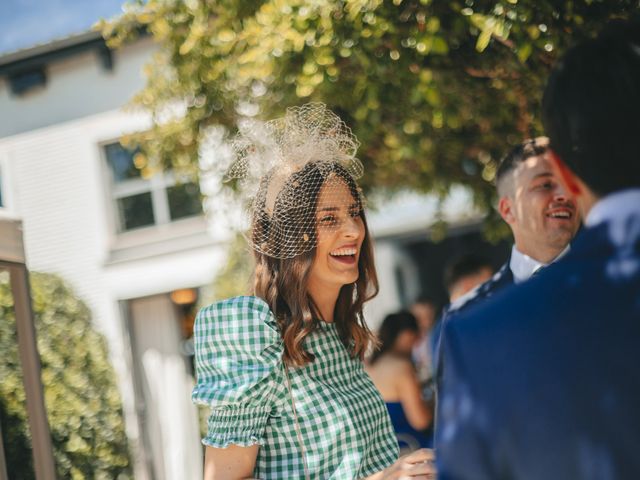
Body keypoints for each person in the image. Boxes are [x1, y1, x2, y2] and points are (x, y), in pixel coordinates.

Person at [436, 19, 640, 479]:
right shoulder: (470, 323)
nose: (559, 198)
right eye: (541, 186)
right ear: (506, 208)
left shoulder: (485, 335)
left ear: (573, 175)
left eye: (557, 183)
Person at [191, 104, 435, 479]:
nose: (354, 230)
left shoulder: (340, 333)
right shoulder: (254, 336)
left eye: (354, 212)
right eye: (328, 219)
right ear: (289, 239)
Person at [431, 138, 581, 376]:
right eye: (545, 185)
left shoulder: (619, 285)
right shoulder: (467, 318)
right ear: (508, 210)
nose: (565, 194)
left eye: (569, 182)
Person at [366, 311, 433, 452]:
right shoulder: (401, 367)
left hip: (384, 451)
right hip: (410, 446)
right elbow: (420, 421)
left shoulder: (368, 365)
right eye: (416, 337)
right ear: (407, 335)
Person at [410, 296, 439, 384]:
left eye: (428, 317)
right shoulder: (409, 342)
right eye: (418, 318)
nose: (423, 323)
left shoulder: (438, 336)